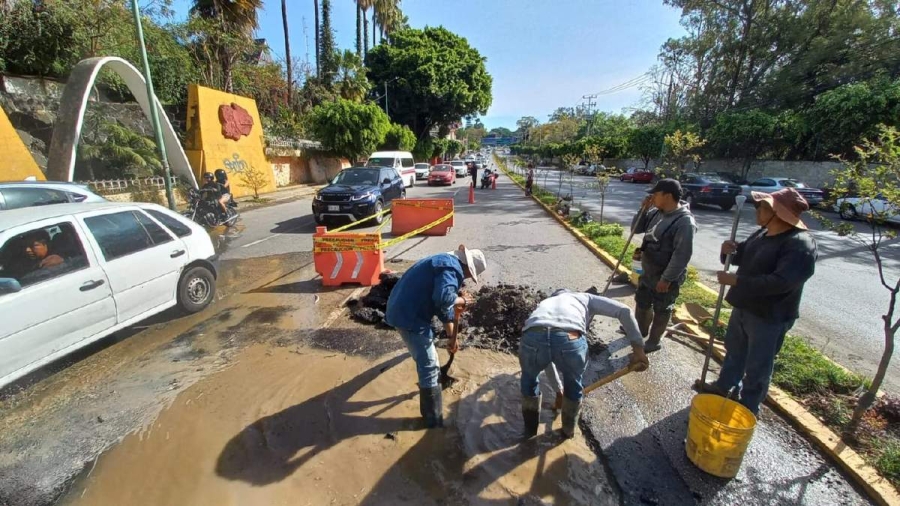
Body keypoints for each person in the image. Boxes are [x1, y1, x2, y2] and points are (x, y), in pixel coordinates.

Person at [698, 188, 817, 415]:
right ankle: (724, 387)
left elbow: (781, 282)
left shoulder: (800, 244)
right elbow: (739, 256)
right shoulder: (762, 233)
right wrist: (728, 252)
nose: (757, 210)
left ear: (778, 213)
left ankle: (748, 406)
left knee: (758, 365)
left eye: (762, 207)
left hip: (769, 316)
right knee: (734, 351)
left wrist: (737, 281)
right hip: (743, 308)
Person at [519, 289, 648, 439]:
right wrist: (638, 349)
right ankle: (567, 433)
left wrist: (558, 390)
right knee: (573, 385)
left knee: (529, 381)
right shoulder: (587, 298)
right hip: (570, 338)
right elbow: (625, 311)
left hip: (533, 336)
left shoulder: (546, 303)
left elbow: (546, 359)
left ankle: (529, 432)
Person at [385, 244, 488, 428]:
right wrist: (461, 300)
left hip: (404, 308)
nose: (465, 278)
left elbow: (443, 308)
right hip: (408, 316)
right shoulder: (451, 268)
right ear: (466, 266)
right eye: (468, 275)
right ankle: (433, 422)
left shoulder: (445, 263)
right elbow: (443, 298)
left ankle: (431, 411)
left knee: (427, 360)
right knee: (430, 366)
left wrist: (451, 338)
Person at [631, 178, 696, 353]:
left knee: (662, 308)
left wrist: (666, 279)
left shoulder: (684, 222)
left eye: (656, 194)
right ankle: (640, 330)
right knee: (642, 302)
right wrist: (643, 210)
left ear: (667, 196)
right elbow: (636, 229)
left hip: (665, 275)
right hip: (648, 270)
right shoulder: (655, 213)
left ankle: (654, 340)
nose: (652, 197)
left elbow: (682, 254)